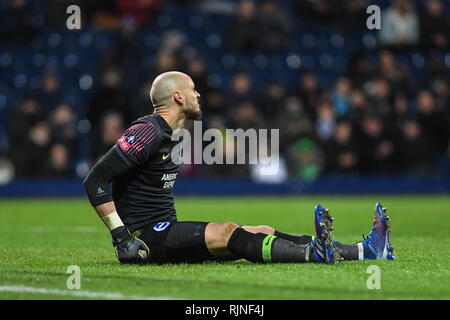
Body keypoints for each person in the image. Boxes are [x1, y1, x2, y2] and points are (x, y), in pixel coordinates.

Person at [82, 71, 394, 265]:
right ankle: (313, 255)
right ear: (177, 96)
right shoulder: (148, 130)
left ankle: (365, 250)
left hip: (166, 232)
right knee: (228, 231)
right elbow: (95, 179)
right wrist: (122, 237)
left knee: (262, 231)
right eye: (193, 89)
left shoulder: (174, 133)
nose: (198, 93)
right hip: (145, 240)